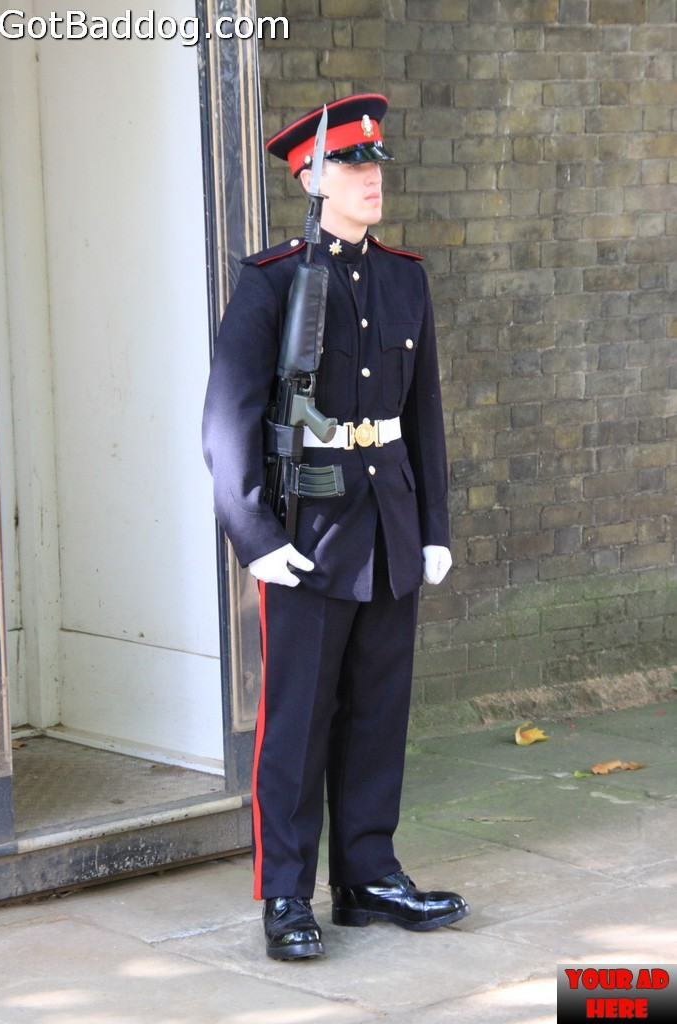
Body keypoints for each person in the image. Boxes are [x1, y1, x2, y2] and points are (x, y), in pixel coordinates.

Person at [202, 93, 469, 960]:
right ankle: (286, 893)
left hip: (389, 523)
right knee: (298, 720)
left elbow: (422, 413)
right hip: (307, 528)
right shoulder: (272, 280)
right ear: (310, 178)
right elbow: (228, 421)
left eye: (374, 164)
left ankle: (367, 877)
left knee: (378, 711)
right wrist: (255, 536)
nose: (370, 179)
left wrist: (432, 524)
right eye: (351, 165)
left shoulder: (404, 277)